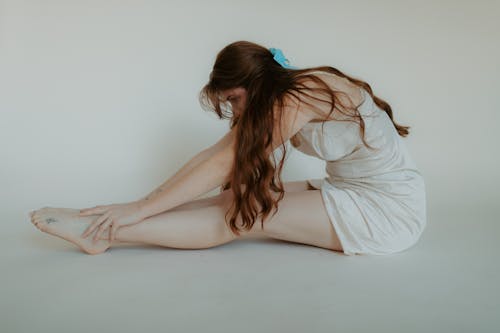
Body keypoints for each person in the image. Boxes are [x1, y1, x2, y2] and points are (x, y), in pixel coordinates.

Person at [29, 40, 426, 256]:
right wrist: (139, 202)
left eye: (235, 99)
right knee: (237, 196)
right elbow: (212, 156)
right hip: (351, 191)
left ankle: (104, 233)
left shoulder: (300, 95)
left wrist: (139, 208)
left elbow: (222, 162)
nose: (235, 109)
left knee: (243, 214)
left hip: (387, 210)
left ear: (256, 82)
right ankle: (109, 223)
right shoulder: (282, 96)